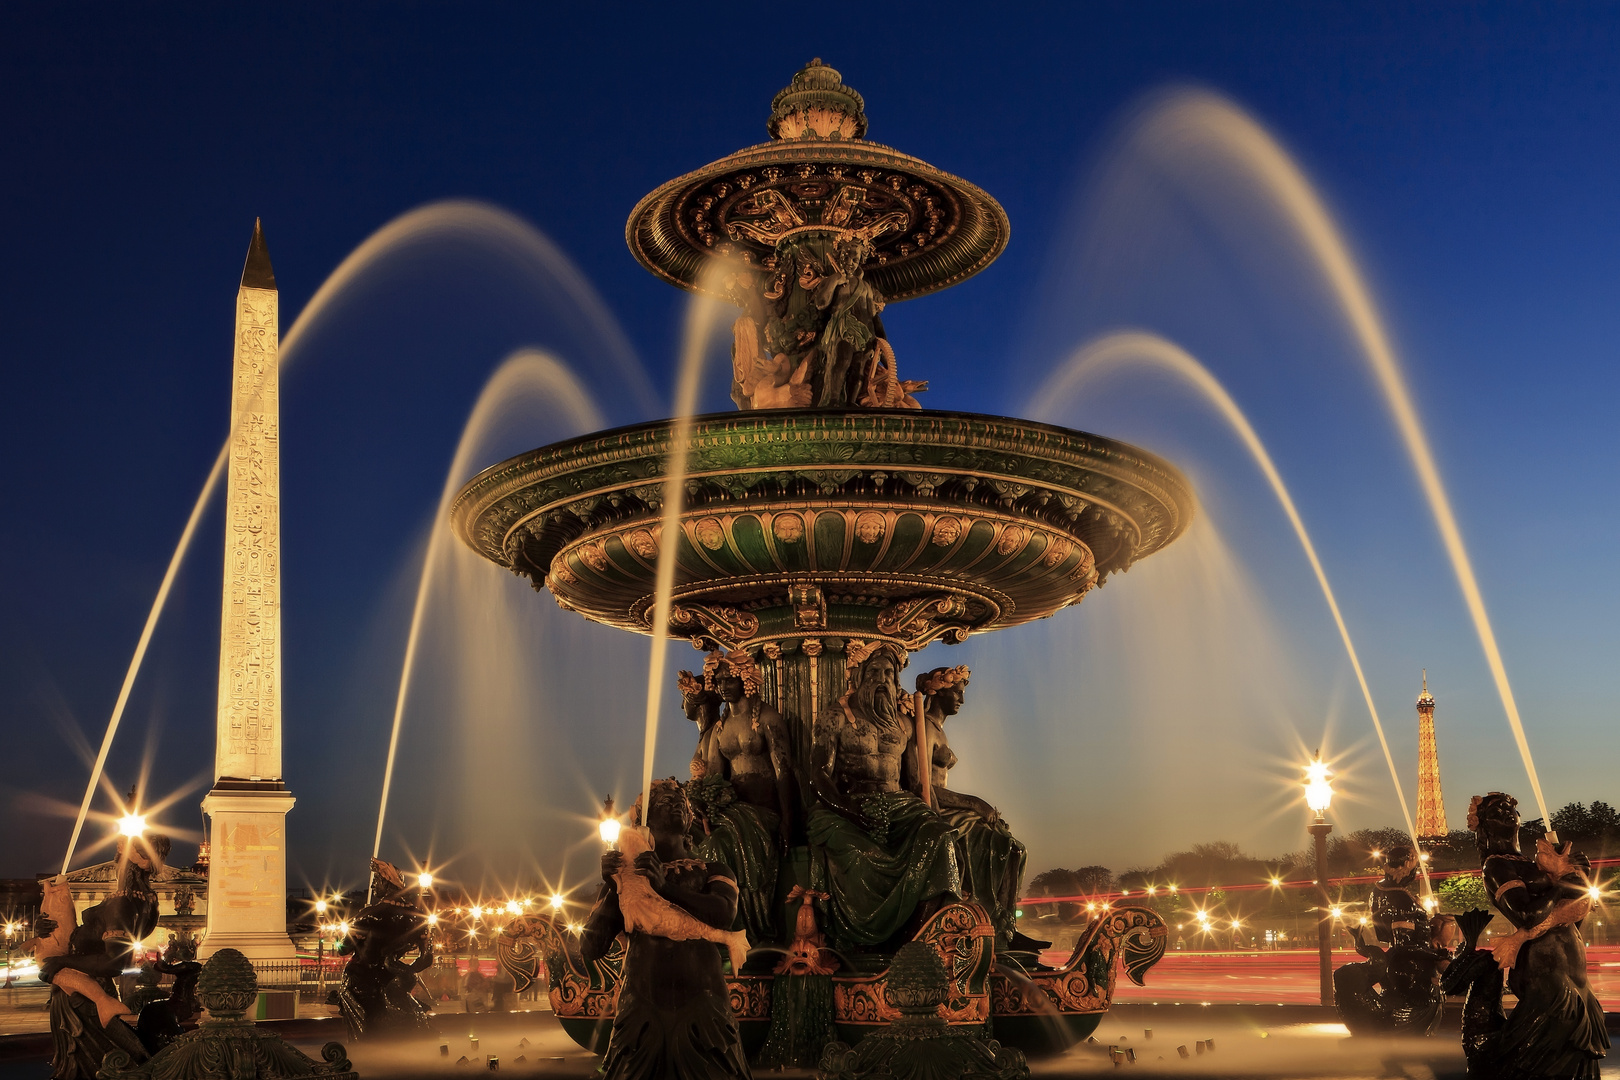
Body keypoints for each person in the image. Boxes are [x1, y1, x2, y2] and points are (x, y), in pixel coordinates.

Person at [582, 780, 751, 1080]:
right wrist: (613, 887)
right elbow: (590, 948)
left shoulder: (713, 870)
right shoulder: (625, 880)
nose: (676, 802)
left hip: (704, 1004)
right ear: (640, 821)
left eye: (681, 801)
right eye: (662, 801)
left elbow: (724, 914)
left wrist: (665, 887)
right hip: (641, 1009)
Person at [807, 641, 960, 951]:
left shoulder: (904, 724)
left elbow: (917, 783)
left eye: (889, 673)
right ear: (859, 676)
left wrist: (950, 808)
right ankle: (864, 938)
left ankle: (922, 935)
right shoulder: (834, 716)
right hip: (845, 805)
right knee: (862, 853)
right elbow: (818, 775)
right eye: (874, 672)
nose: (882, 679)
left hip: (898, 805)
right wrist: (851, 812)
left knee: (940, 836)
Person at [1449, 791, 1608, 1077]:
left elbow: (1580, 909)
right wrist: (1559, 883)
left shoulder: (1530, 861)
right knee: (1543, 1057)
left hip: (1574, 969)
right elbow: (1526, 914)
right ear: (1482, 823)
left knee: (1574, 1055)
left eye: (1511, 808)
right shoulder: (1496, 865)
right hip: (1545, 973)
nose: (1508, 813)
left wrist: (1574, 874)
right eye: (1498, 811)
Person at [910, 665, 1040, 950]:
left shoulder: (937, 731)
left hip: (950, 809)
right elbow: (922, 785)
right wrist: (973, 803)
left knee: (1014, 848)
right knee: (1001, 845)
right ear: (938, 692)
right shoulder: (923, 729)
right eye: (957, 692)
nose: (962, 700)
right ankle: (990, 920)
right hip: (934, 809)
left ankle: (1005, 925)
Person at [684, 651, 796, 945]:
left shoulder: (767, 718)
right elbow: (713, 779)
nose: (722, 685)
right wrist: (701, 805)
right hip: (733, 810)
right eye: (718, 680)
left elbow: (784, 771)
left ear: (745, 679)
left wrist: (788, 818)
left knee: (720, 844)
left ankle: (749, 927)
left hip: (763, 809)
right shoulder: (719, 730)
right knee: (693, 838)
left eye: (729, 679)